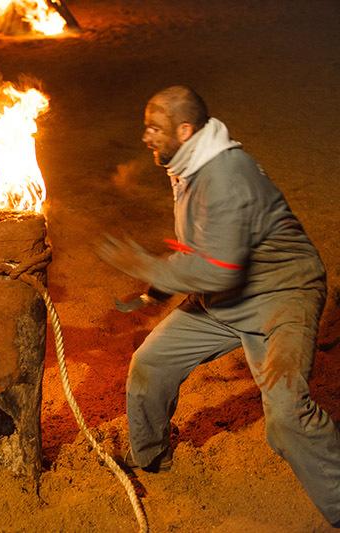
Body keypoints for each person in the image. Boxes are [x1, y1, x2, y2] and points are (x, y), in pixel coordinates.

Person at [97, 85, 340, 527]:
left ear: (185, 130)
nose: (146, 137)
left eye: (155, 129)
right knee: (150, 364)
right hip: (228, 298)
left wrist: (144, 263)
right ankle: (150, 458)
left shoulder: (225, 175)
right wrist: (157, 289)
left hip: (281, 297)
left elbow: (219, 270)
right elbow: (202, 249)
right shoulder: (189, 163)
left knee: (287, 419)